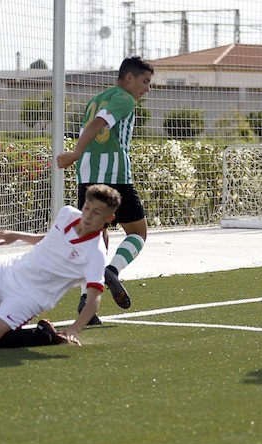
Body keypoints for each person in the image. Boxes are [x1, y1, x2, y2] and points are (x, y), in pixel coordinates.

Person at [0, 184, 122, 349]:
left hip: (29, 296)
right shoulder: (67, 213)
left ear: (109, 217)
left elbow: (93, 300)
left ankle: (43, 336)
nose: (88, 216)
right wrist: (16, 235)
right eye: (87, 208)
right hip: (9, 270)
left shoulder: (95, 253)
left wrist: (75, 328)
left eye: (96, 212)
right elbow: (50, 238)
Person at [56, 56, 154, 325]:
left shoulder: (96, 98)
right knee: (138, 233)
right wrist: (75, 152)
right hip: (115, 177)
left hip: (87, 178)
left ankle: (87, 304)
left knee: (96, 241)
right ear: (129, 78)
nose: (147, 88)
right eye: (145, 82)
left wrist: (79, 155)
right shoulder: (124, 99)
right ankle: (112, 271)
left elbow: (90, 125)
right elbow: (99, 124)